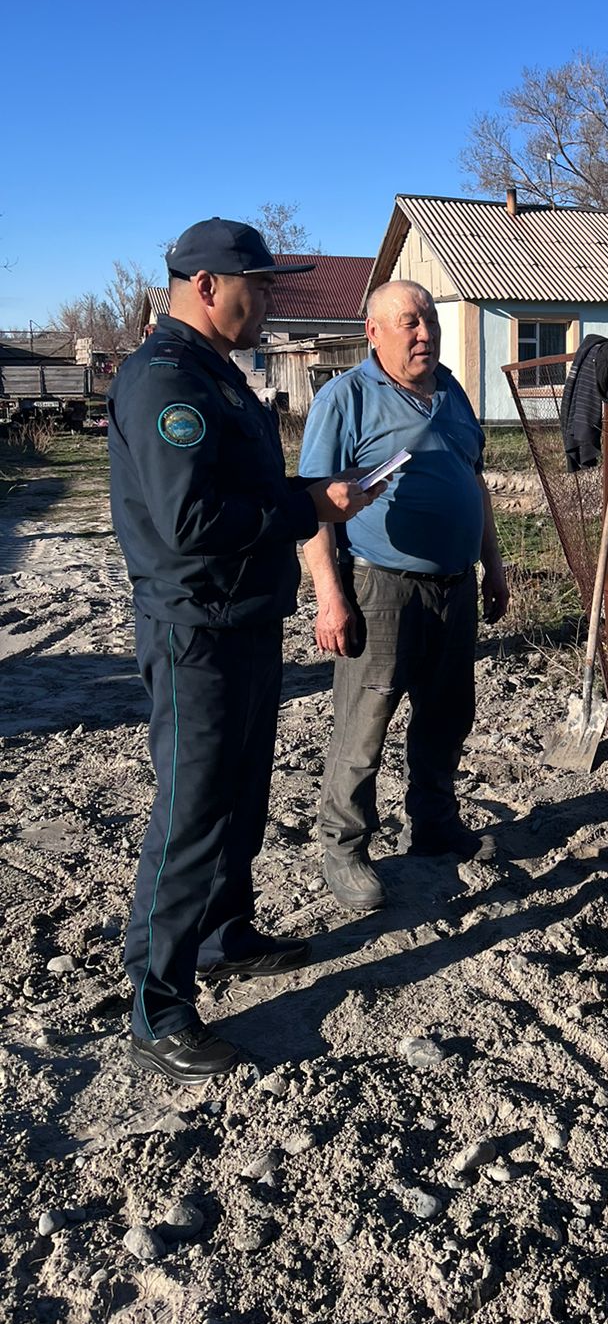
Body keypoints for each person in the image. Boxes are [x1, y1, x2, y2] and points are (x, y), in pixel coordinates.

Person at [109, 218, 382, 1083]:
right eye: (257, 285)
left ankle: (225, 937)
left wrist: (311, 493)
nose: (270, 299)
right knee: (192, 811)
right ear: (204, 287)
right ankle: (156, 1003)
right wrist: (310, 511)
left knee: (241, 797)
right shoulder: (164, 382)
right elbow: (191, 523)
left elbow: (244, 491)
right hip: (197, 631)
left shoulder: (216, 376)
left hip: (244, 620)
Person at [299, 280, 510, 911]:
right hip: (380, 585)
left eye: (430, 322)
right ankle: (345, 846)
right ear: (373, 332)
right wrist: (330, 597)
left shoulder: (451, 391)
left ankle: (434, 825)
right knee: (364, 723)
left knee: (447, 715)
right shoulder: (347, 398)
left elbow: (474, 483)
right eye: (408, 323)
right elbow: (314, 506)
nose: (424, 333)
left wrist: (492, 565)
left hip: (455, 585)